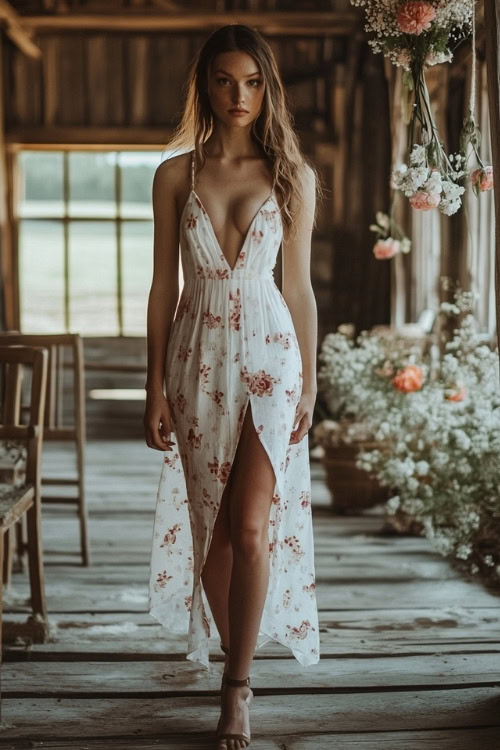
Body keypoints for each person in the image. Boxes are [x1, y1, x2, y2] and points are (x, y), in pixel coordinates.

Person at [144, 23, 320, 749]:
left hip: (272, 362)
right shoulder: (174, 175)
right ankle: (235, 651)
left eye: (252, 81)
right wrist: (154, 383)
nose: (238, 95)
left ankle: (237, 688)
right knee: (213, 538)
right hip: (195, 361)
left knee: (249, 526)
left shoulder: (291, 175)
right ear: (205, 85)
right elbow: (161, 286)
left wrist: (310, 382)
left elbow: (301, 289)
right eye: (225, 80)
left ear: (267, 87)